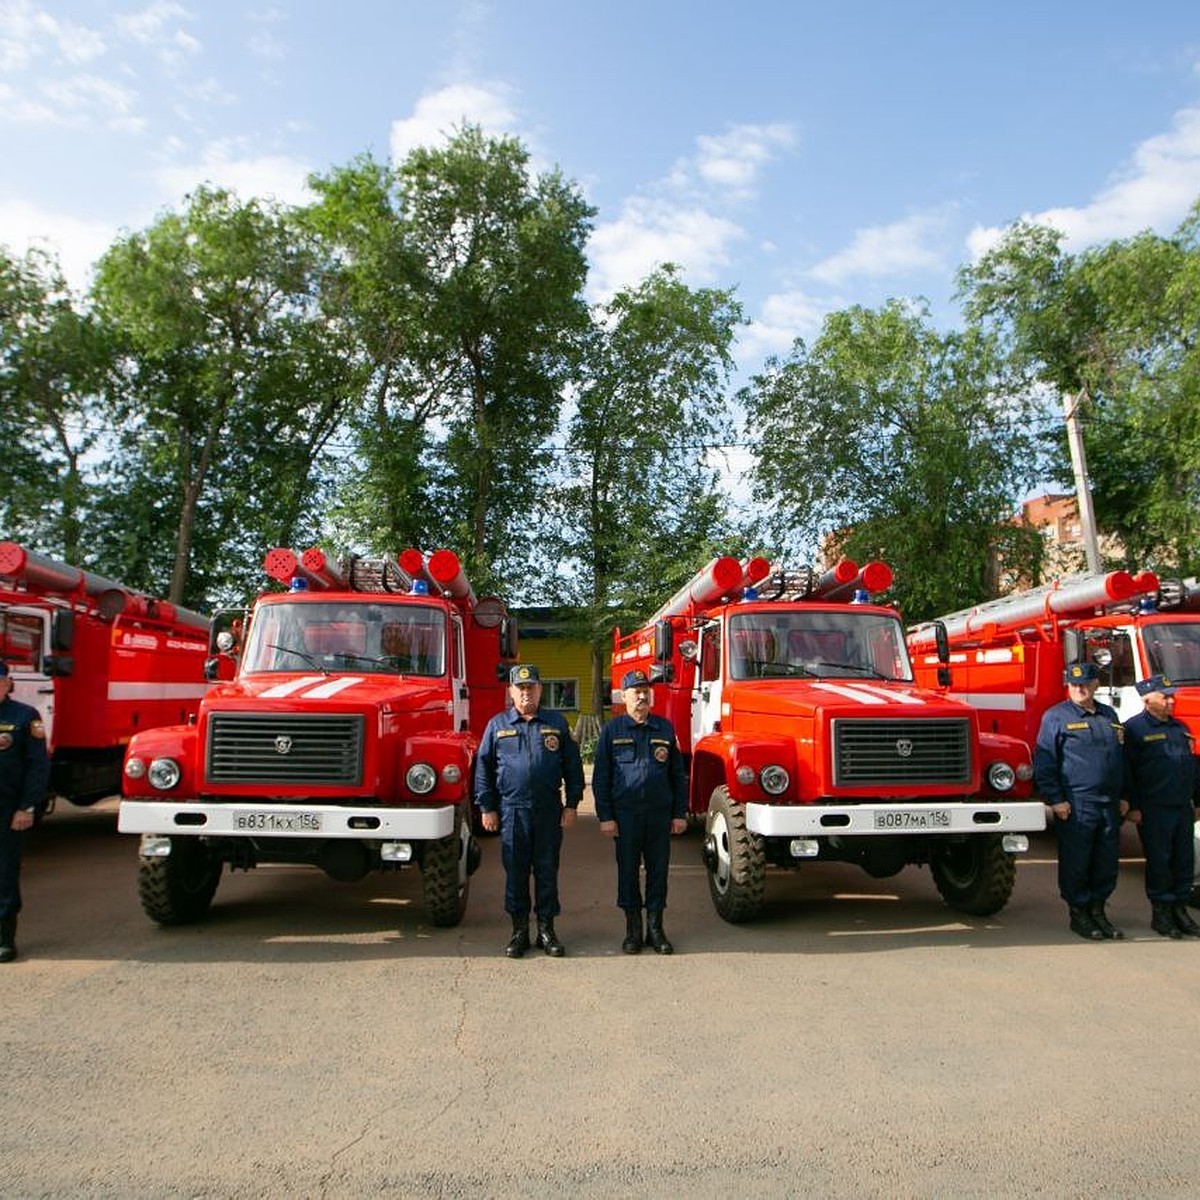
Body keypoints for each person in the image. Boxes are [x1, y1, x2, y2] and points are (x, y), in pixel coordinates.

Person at [475, 664, 584, 958]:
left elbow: (572, 767)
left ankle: (546, 930)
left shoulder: (556, 723)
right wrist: (487, 806)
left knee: (547, 870)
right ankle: (519, 930)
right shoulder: (497, 726)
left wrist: (572, 804)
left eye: (531, 687)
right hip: (512, 811)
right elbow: (483, 769)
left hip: (548, 811)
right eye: (520, 688)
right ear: (511, 691)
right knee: (516, 873)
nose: (526, 693)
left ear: (539, 689)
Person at [592, 669, 688, 954]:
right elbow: (601, 778)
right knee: (628, 873)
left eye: (646, 691)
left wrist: (679, 813)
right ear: (625, 697)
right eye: (636, 692)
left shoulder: (665, 729)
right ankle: (633, 930)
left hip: (659, 815)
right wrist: (605, 816)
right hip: (626, 816)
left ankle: (656, 930)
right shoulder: (612, 731)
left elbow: (676, 775)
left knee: (658, 873)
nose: (642, 696)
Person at [1033, 661, 1129, 941]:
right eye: (1074, 685)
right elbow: (1045, 761)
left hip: (1109, 803)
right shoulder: (1056, 717)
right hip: (1078, 803)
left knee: (1106, 862)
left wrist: (1125, 796)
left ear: (1096, 685)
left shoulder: (1109, 714)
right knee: (1078, 861)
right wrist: (1055, 799)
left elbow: (1122, 759)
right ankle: (1079, 913)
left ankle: (1098, 910)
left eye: (1085, 684)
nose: (1079, 689)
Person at [1123, 674, 1200, 939]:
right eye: (1164, 697)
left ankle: (1180, 910)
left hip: (1181, 807)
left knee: (1184, 862)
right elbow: (1127, 772)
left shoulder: (1179, 727)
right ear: (1147, 699)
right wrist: (1132, 806)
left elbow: (1192, 767)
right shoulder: (1134, 729)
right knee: (1160, 863)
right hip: (1154, 808)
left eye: (1171, 697)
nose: (1170, 702)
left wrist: (1197, 801)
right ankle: (1162, 914)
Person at [0, 661, 51, 963]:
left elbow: (37, 768)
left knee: (4, 873)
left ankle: (5, 938)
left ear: (7, 684)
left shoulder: (24, 717)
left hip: (7, 811)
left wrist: (27, 807)